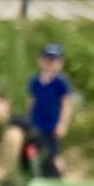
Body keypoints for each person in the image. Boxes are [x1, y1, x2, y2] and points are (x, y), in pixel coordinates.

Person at [28, 43, 71, 177]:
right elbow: (31, 101)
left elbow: (66, 105)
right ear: (41, 61)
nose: (50, 63)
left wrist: (62, 124)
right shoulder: (34, 81)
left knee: (54, 155)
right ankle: (40, 177)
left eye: (54, 60)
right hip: (37, 124)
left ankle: (61, 179)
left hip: (52, 126)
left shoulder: (61, 82)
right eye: (47, 60)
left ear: (60, 63)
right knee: (39, 152)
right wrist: (28, 120)